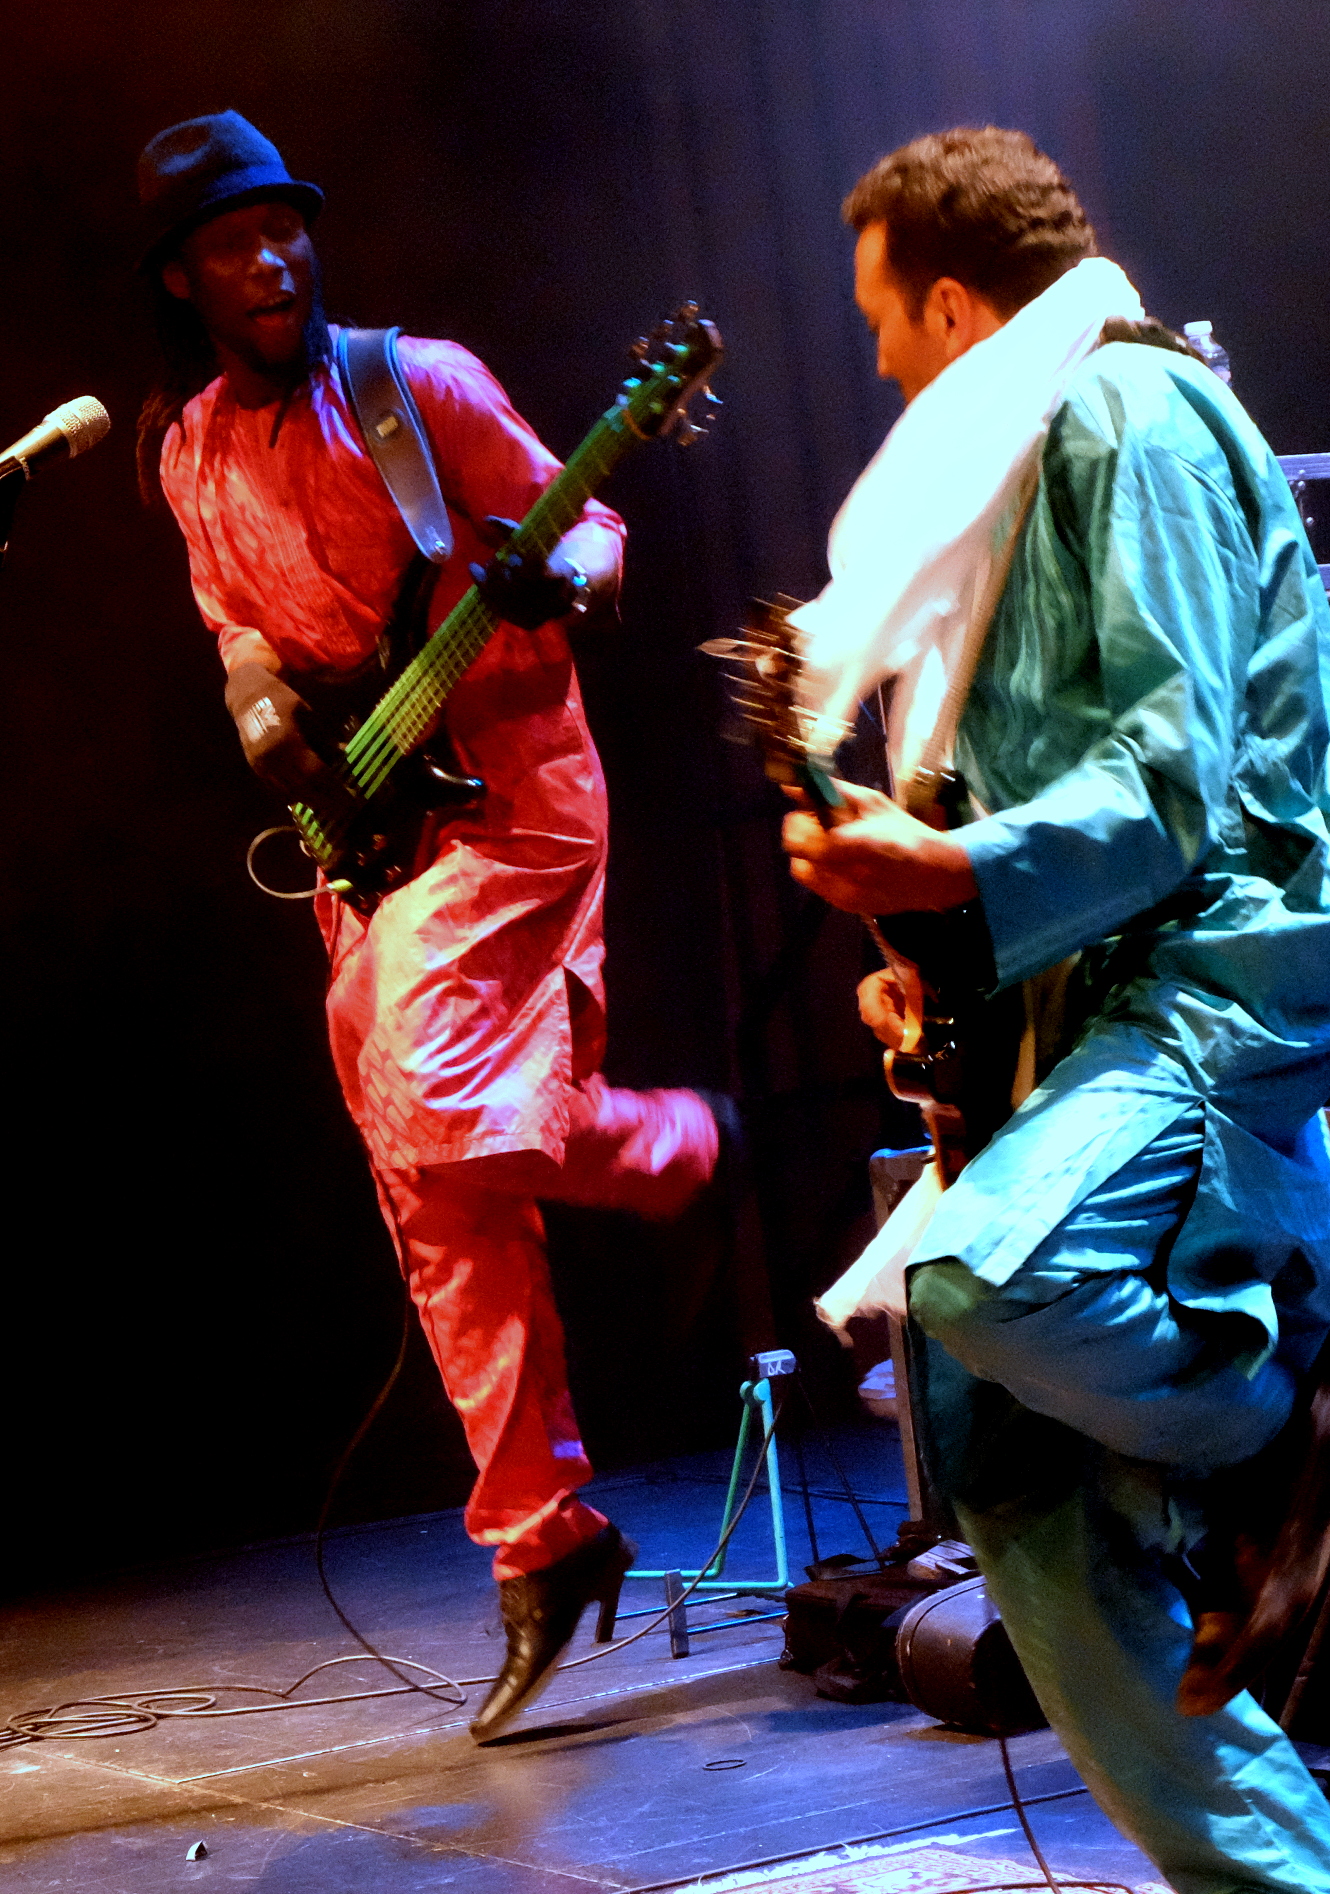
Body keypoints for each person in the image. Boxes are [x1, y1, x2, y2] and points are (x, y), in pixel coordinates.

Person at [782, 127, 1330, 1894]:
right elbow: (1014, 807)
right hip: (1086, 997)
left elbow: (1174, 776)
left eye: (888, 323)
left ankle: (1273, 1441)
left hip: (1219, 971)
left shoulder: (1132, 412)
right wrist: (928, 950)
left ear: (962, 305)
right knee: (1011, 1475)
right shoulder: (1002, 481)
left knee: (985, 1277)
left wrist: (957, 870)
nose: (883, 363)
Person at [137, 111, 721, 1743]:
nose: (273, 259)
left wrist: (566, 580)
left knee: (440, 1100)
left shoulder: (416, 386)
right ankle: (543, 1538)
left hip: (512, 789)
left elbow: (591, 526)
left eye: (284, 227)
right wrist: (260, 711)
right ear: (183, 279)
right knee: (426, 1182)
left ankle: (677, 1148)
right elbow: (235, 630)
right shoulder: (188, 454)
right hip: (369, 831)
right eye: (233, 243)